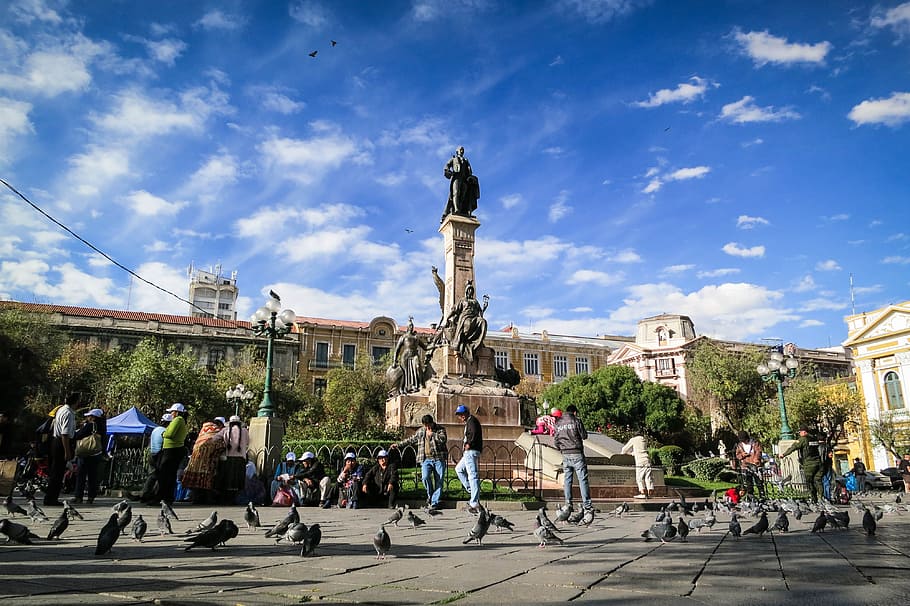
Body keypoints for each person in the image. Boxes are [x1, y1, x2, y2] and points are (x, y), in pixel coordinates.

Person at [391, 414, 448, 509]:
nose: (427, 427)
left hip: (438, 459)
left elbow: (443, 439)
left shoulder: (440, 429)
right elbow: (411, 439)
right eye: (425, 425)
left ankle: (434, 502)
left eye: (428, 425)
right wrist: (398, 445)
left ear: (432, 422)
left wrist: (433, 434)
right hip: (426, 459)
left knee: (439, 481)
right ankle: (430, 495)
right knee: (425, 477)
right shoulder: (421, 431)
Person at [554, 405, 593, 512]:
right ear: (574, 412)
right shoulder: (576, 421)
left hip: (565, 454)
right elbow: (584, 435)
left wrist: (561, 449)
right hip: (577, 453)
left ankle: (568, 504)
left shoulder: (559, 422)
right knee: (582, 479)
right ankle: (587, 505)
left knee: (567, 479)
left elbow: (556, 440)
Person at [182, 417, 226, 505]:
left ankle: (196, 499)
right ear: (220, 425)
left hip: (195, 461)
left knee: (197, 483)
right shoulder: (217, 432)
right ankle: (207, 499)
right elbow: (220, 446)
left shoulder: (204, 430)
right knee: (207, 481)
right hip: (207, 462)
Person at [44, 392, 78, 506]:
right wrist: (67, 451)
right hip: (62, 443)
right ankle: (51, 498)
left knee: (56, 472)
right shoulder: (68, 413)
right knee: (57, 474)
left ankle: (50, 497)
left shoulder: (61, 410)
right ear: (75, 402)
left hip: (56, 441)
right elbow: (65, 434)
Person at [444, 281, 489, 363]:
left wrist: (484, 308)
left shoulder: (475, 301)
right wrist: (447, 318)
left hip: (475, 317)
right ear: (466, 291)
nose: (470, 292)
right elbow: (454, 310)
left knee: (483, 322)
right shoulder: (463, 300)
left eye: (471, 290)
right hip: (465, 317)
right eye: (469, 290)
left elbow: (480, 312)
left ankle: (477, 344)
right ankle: (464, 340)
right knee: (468, 324)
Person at [781, 425, 824, 504]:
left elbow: (793, 447)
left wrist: (783, 454)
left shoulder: (803, 439)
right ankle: (821, 497)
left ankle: (814, 499)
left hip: (809, 463)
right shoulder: (814, 438)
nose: (799, 434)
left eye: (800, 432)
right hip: (818, 462)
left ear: (804, 432)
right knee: (818, 481)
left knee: (809, 482)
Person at [72, 408, 106, 504]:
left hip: (86, 454)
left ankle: (78, 496)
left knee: (81, 475)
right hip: (97, 454)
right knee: (93, 476)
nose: (87, 417)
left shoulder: (91, 425)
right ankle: (91, 496)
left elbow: (78, 435)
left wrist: (80, 428)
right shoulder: (103, 426)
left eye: (89, 416)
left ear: (93, 417)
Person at [157, 403, 189, 505]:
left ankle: (164, 496)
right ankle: (167, 497)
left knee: (165, 474)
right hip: (174, 449)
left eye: (172, 411)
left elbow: (169, 434)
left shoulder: (178, 420)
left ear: (176, 412)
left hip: (171, 450)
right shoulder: (181, 421)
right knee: (169, 474)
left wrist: (164, 433)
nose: (171, 413)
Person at [454, 404, 483, 513]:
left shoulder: (472, 421)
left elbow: (474, 433)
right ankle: (473, 492)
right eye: (458, 415)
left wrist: (469, 444)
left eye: (461, 414)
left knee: (472, 475)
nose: (460, 417)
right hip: (468, 452)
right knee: (459, 469)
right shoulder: (469, 421)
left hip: (471, 451)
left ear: (466, 413)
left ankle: (474, 502)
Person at [441, 145, 479, 221]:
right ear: (457, 151)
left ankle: (461, 209)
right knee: (456, 192)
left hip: (464, 179)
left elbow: (469, 170)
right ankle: (456, 209)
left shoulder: (466, 160)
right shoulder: (454, 159)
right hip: (456, 178)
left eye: (463, 149)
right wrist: (448, 171)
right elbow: (447, 166)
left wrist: (470, 177)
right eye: (460, 149)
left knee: (463, 195)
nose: (462, 150)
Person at [390, 317, 427, 394]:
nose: (411, 327)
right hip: (405, 356)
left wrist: (435, 346)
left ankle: (420, 385)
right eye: (410, 326)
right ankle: (405, 388)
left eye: (412, 326)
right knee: (405, 373)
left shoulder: (416, 337)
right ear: (407, 327)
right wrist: (394, 361)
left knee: (418, 366)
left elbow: (425, 347)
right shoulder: (403, 337)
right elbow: (397, 349)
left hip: (414, 355)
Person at [219, 415, 249, 503]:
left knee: (228, 479)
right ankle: (235, 499)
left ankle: (226, 499)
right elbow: (247, 442)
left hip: (228, 459)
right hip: (240, 459)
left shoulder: (226, 430)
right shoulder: (245, 431)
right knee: (238, 480)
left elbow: (218, 439)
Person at [733, 430, 765, 500]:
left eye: (744, 440)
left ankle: (762, 496)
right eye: (742, 441)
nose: (743, 442)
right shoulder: (740, 445)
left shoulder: (755, 443)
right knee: (748, 483)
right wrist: (742, 455)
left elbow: (758, 451)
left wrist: (756, 459)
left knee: (759, 482)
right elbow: (737, 455)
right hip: (745, 466)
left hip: (755, 465)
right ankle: (751, 497)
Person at [621, 435, 654, 499]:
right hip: (647, 459)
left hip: (640, 461)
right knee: (648, 476)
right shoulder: (644, 440)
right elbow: (640, 450)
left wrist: (627, 454)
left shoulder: (633, 439)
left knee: (639, 478)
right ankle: (650, 489)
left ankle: (643, 493)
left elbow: (624, 450)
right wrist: (633, 453)